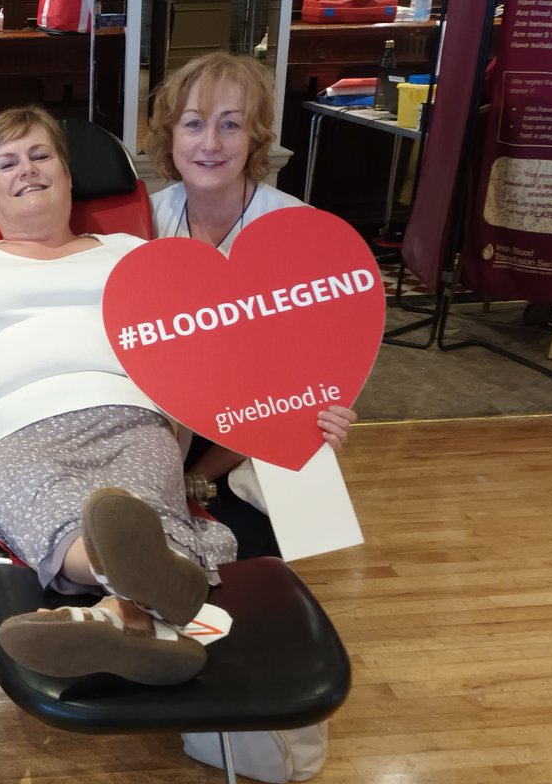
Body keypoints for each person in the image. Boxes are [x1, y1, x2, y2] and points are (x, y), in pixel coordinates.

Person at [0, 105, 353, 687]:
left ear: (66, 175)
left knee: (134, 502)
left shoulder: (132, 254)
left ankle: (120, 612)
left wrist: (304, 404)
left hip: (129, 417)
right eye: (8, 162)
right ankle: (146, 600)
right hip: (16, 433)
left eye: (42, 156)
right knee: (44, 503)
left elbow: (214, 343)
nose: (27, 170)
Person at [146, 51, 357, 558]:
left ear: (256, 138)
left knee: (246, 569)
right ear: (170, 136)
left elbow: (298, 392)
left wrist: (196, 476)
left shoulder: (297, 232)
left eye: (231, 125)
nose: (210, 144)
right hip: (161, 427)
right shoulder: (147, 221)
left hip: (252, 440)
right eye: (193, 124)